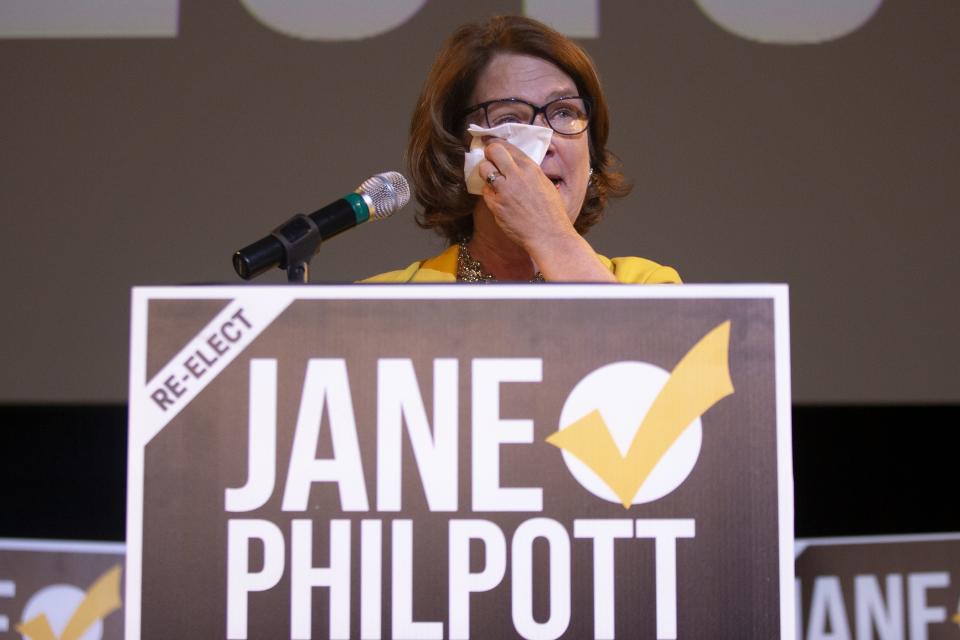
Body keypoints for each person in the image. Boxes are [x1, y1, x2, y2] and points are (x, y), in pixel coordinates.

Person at [363, 15, 680, 284]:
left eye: (564, 112)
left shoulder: (649, 286)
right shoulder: (381, 302)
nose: (546, 141)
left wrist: (551, 237)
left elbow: (640, 348)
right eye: (510, 118)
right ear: (459, 152)